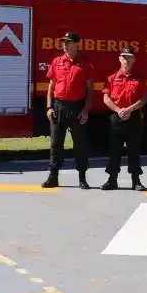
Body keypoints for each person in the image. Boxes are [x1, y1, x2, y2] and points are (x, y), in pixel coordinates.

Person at [41, 32, 94, 189]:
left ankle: (82, 178)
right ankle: (53, 176)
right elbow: (51, 85)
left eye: (67, 42)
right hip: (59, 106)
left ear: (76, 44)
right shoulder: (57, 62)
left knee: (80, 144)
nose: (64, 45)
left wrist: (85, 110)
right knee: (56, 143)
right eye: (63, 42)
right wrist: (49, 107)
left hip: (77, 106)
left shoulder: (85, 63)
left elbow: (90, 89)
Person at [101, 46, 147, 191]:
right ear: (119, 59)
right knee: (114, 150)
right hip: (116, 118)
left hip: (133, 116)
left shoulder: (139, 79)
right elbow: (106, 98)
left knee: (134, 150)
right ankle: (112, 180)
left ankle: (136, 180)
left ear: (134, 60)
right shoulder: (111, 78)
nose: (126, 60)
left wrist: (129, 109)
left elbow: (143, 99)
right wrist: (118, 110)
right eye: (124, 57)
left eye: (129, 57)